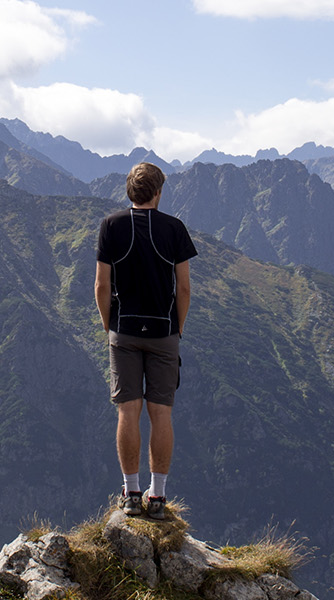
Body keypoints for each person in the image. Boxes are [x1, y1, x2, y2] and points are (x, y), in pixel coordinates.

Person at [95, 162, 197, 521]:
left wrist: (111, 326)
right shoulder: (174, 229)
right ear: (158, 192)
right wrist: (178, 328)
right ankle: (158, 496)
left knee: (128, 410)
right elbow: (183, 288)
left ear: (129, 191)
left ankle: (130, 491)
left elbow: (102, 286)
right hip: (163, 332)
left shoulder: (111, 226)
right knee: (160, 413)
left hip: (123, 330)